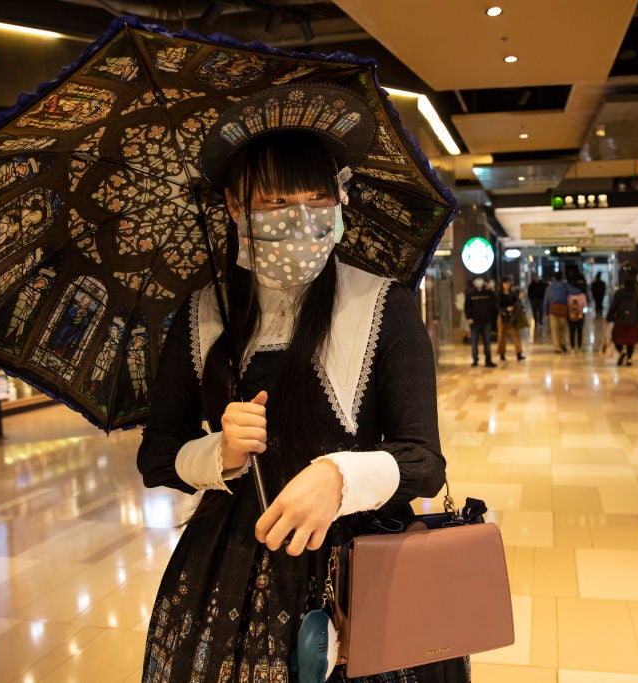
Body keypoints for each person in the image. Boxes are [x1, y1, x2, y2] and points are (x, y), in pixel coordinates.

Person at [137, 86, 468, 681]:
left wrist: (339, 475)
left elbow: (424, 460)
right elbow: (158, 455)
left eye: (318, 198)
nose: (302, 217)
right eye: (276, 200)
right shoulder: (200, 315)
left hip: (365, 563)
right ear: (236, 207)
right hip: (226, 569)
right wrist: (220, 452)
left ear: (341, 201)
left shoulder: (383, 307)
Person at [606, 277, 638, 366]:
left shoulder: (618, 293)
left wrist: (609, 317)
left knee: (616, 339)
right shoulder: (637, 294)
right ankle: (629, 359)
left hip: (620, 320)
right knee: (631, 341)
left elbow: (613, 306)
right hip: (633, 321)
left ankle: (621, 352)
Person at [465, 276, 498, 367]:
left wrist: (489, 289)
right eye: (477, 280)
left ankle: (488, 361)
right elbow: (467, 307)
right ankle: (475, 360)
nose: (479, 282)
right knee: (474, 341)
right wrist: (469, 318)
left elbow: (495, 300)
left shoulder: (488, 293)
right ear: (474, 282)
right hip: (474, 322)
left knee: (487, 342)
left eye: (481, 280)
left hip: (486, 321)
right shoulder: (470, 294)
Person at [545, 271, 579, 354]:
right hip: (563, 309)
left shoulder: (550, 287)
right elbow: (576, 291)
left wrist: (546, 312)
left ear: (554, 278)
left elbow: (546, 301)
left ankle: (557, 347)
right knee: (562, 328)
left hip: (553, 309)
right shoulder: (565, 286)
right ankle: (563, 344)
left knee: (554, 329)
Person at [496, 277, 526, 361]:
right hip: (502, 316)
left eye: (508, 283)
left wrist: (519, 299)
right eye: (505, 284)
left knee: (516, 334)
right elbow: (497, 306)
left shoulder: (513, 294)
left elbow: (517, 303)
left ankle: (519, 353)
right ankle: (502, 353)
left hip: (512, 317)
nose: (507, 285)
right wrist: (506, 309)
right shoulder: (499, 295)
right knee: (502, 335)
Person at [567, 276, 588, 351]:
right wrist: (583, 313)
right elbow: (585, 306)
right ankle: (579, 346)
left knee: (572, 331)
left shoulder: (569, 296)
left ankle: (572, 347)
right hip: (580, 315)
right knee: (580, 331)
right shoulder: (582, 296)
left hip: (571, 315)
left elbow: (567, 305)